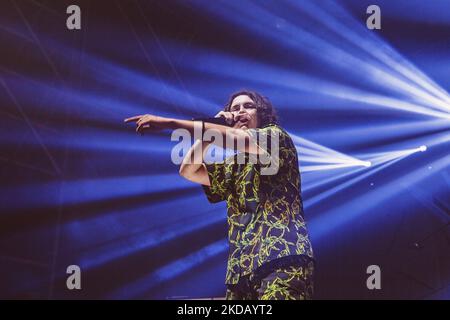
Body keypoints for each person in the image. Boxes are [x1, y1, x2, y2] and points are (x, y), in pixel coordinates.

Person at [125, 90, 314, 300]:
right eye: (234, 108)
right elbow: (189, 170)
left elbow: (234, 138)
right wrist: (214, 126)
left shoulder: (276, 137)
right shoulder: (234, 164)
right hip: (240, 271)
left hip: (281, 257)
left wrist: (169, 122)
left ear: (262, 113)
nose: (240, 111)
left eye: (248, 106)